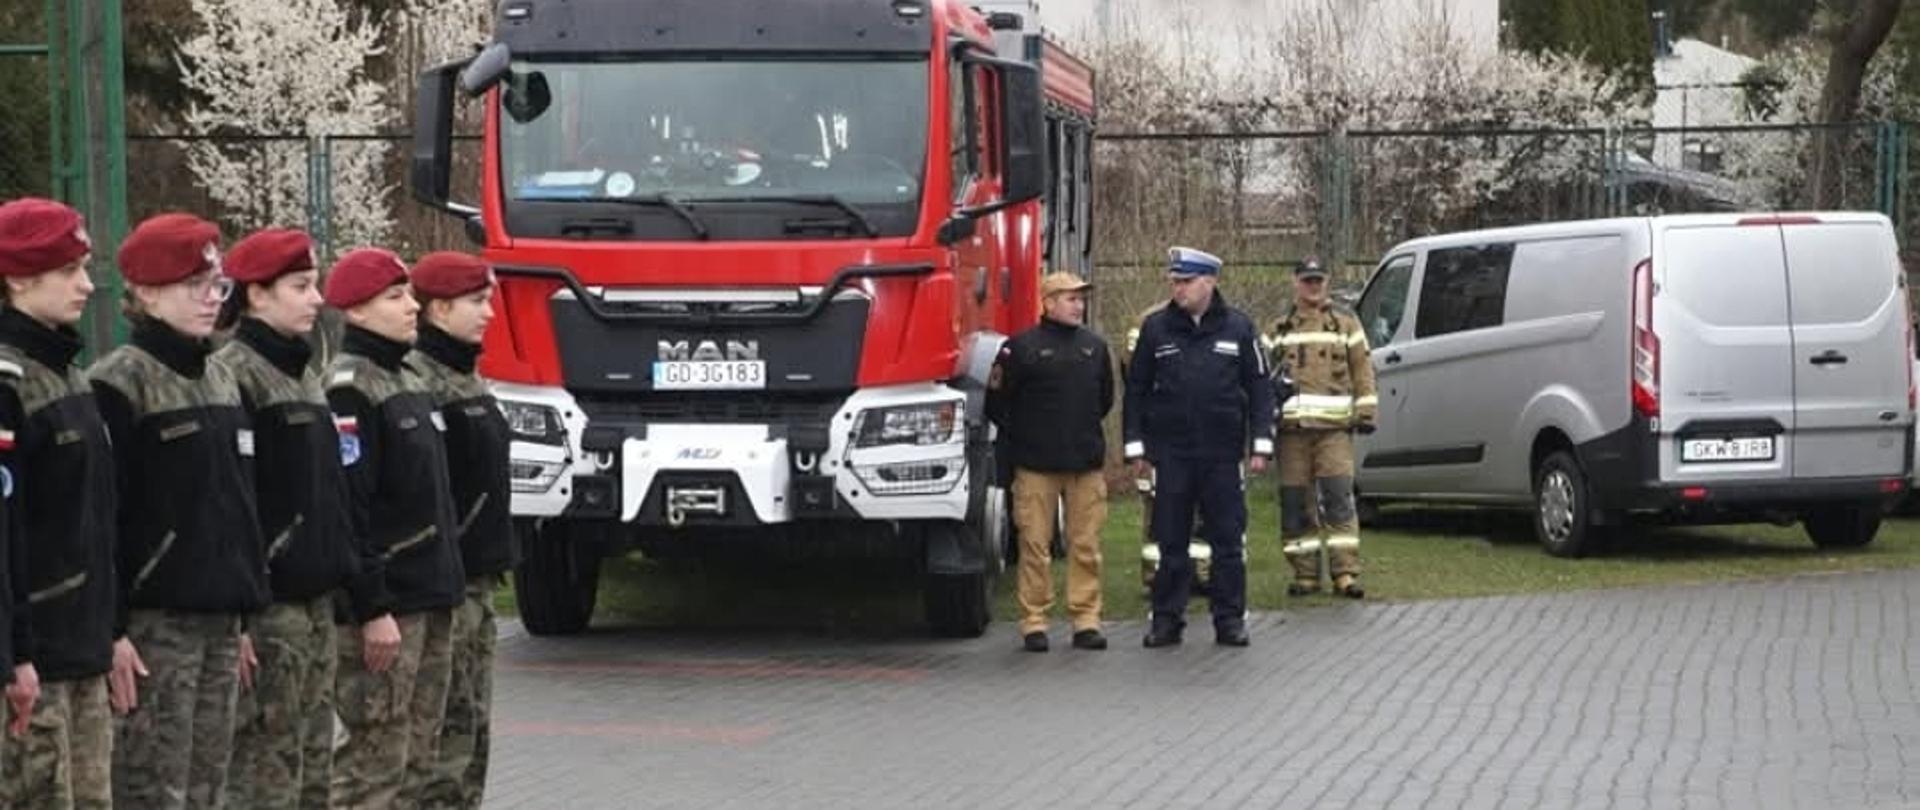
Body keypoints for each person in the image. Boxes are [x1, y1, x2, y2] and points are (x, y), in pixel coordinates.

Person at [90, 213, 270, 810]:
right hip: (155, 624)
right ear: (144, 293)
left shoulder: (221, 376)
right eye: (192, 286)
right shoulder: (120, 383)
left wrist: (242, 612)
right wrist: (113, 628)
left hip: (221, 618)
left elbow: (237, 503)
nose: (209, 300)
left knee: (207, 785)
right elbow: (104, 518)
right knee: (152, 786)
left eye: (216, 286)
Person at [213, 228, 361, 810]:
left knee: (312, 773)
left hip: (316, 600)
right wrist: (243, 612)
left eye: (315, 283)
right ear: (256, 295)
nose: (317, 298)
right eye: (300, 286)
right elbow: (234, 500)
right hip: (271, 607)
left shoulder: (301, 372)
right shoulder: (235, 374)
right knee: (264, 775)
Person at [323, 248, 465, 810]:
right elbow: (352, 507)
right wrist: (372, 604)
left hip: (431, 593)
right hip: (391, 607)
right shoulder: (350, 387)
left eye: (409, 294)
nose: (413, 307)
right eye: (395, 297)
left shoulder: (404, 377)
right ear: (356, 311)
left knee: (418, 760)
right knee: (373, 764)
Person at [0, 198, 115, 810]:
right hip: (34, 660)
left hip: (83, 647)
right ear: (19, 277)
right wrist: (14, 654)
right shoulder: (8, 384)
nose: (88, 285)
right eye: (69, 270)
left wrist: (112, 630)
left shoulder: (69, 377)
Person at [1123, 246, 1274, 648]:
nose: (1178, 289)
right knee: (1170, 540)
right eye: (1174, 282)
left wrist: (1261, 444)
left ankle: (1229, 620)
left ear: (1210, 282)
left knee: (1227, 541)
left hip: (1222, 454)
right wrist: (1135, 447)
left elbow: (1260, 388)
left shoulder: (1238, 328)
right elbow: (1136, 390)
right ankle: (1166, 620)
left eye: (1186, 282)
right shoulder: (1156, 329)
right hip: (1172, 454)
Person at [407, 252, 515, 810]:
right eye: (477, 302)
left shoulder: (466, 377)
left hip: (479, 579)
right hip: (444, 586)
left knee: (472, 734)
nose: (489, 314)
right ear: (438, 307)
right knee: (442, 739)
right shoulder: (421, 382)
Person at [987, 271, 1114, 653]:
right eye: (1070, 298)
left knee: (1086, 545)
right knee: (1035, 546)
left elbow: (1105, 400)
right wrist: (1026, 437)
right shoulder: (1020, 349)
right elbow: (997, 402)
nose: (1079, 305)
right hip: (1036, 467)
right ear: (1048, 302)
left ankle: (1086, 620)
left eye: (1081, 299)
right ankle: (1034, 622)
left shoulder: (1094, 347)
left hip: (1085, 466)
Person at [1267, 257, 1376, 598]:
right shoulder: (1278, 329)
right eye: (1307, 280)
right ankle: (1305, 575)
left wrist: (1367, 412)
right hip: (1292, 433)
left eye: (1319, 280)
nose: (1313, 286)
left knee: (1338, 499)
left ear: (1327, 282)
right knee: (1295, 504)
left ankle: (1345, 574)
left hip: (1334, 433)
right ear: (1295, 282)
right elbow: (1259, 378)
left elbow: (1363, 370)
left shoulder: (1345, 325)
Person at [1123, 299, 1212, 595]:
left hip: (1203, 430)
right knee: (1157, 506)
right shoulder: (1149, 321)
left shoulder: (1217, 319)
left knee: (1203, 506)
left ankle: (1200, 575)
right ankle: (1156, 576)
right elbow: (1132, 370)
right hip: (1159, 431)